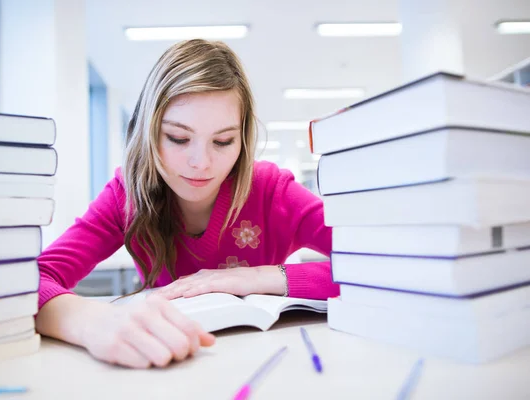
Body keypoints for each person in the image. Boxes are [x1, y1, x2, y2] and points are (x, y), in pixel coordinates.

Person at [35, 39, 339, 369]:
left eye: (223, 141)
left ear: (243, 138)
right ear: (150, 131)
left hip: (264, 359)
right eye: (178, 138)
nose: (201, 162)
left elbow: (386, 264)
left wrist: (261, 278)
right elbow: (29, 279)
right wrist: (88, 320)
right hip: (168, 364)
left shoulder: (271, 191)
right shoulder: (127, 196)